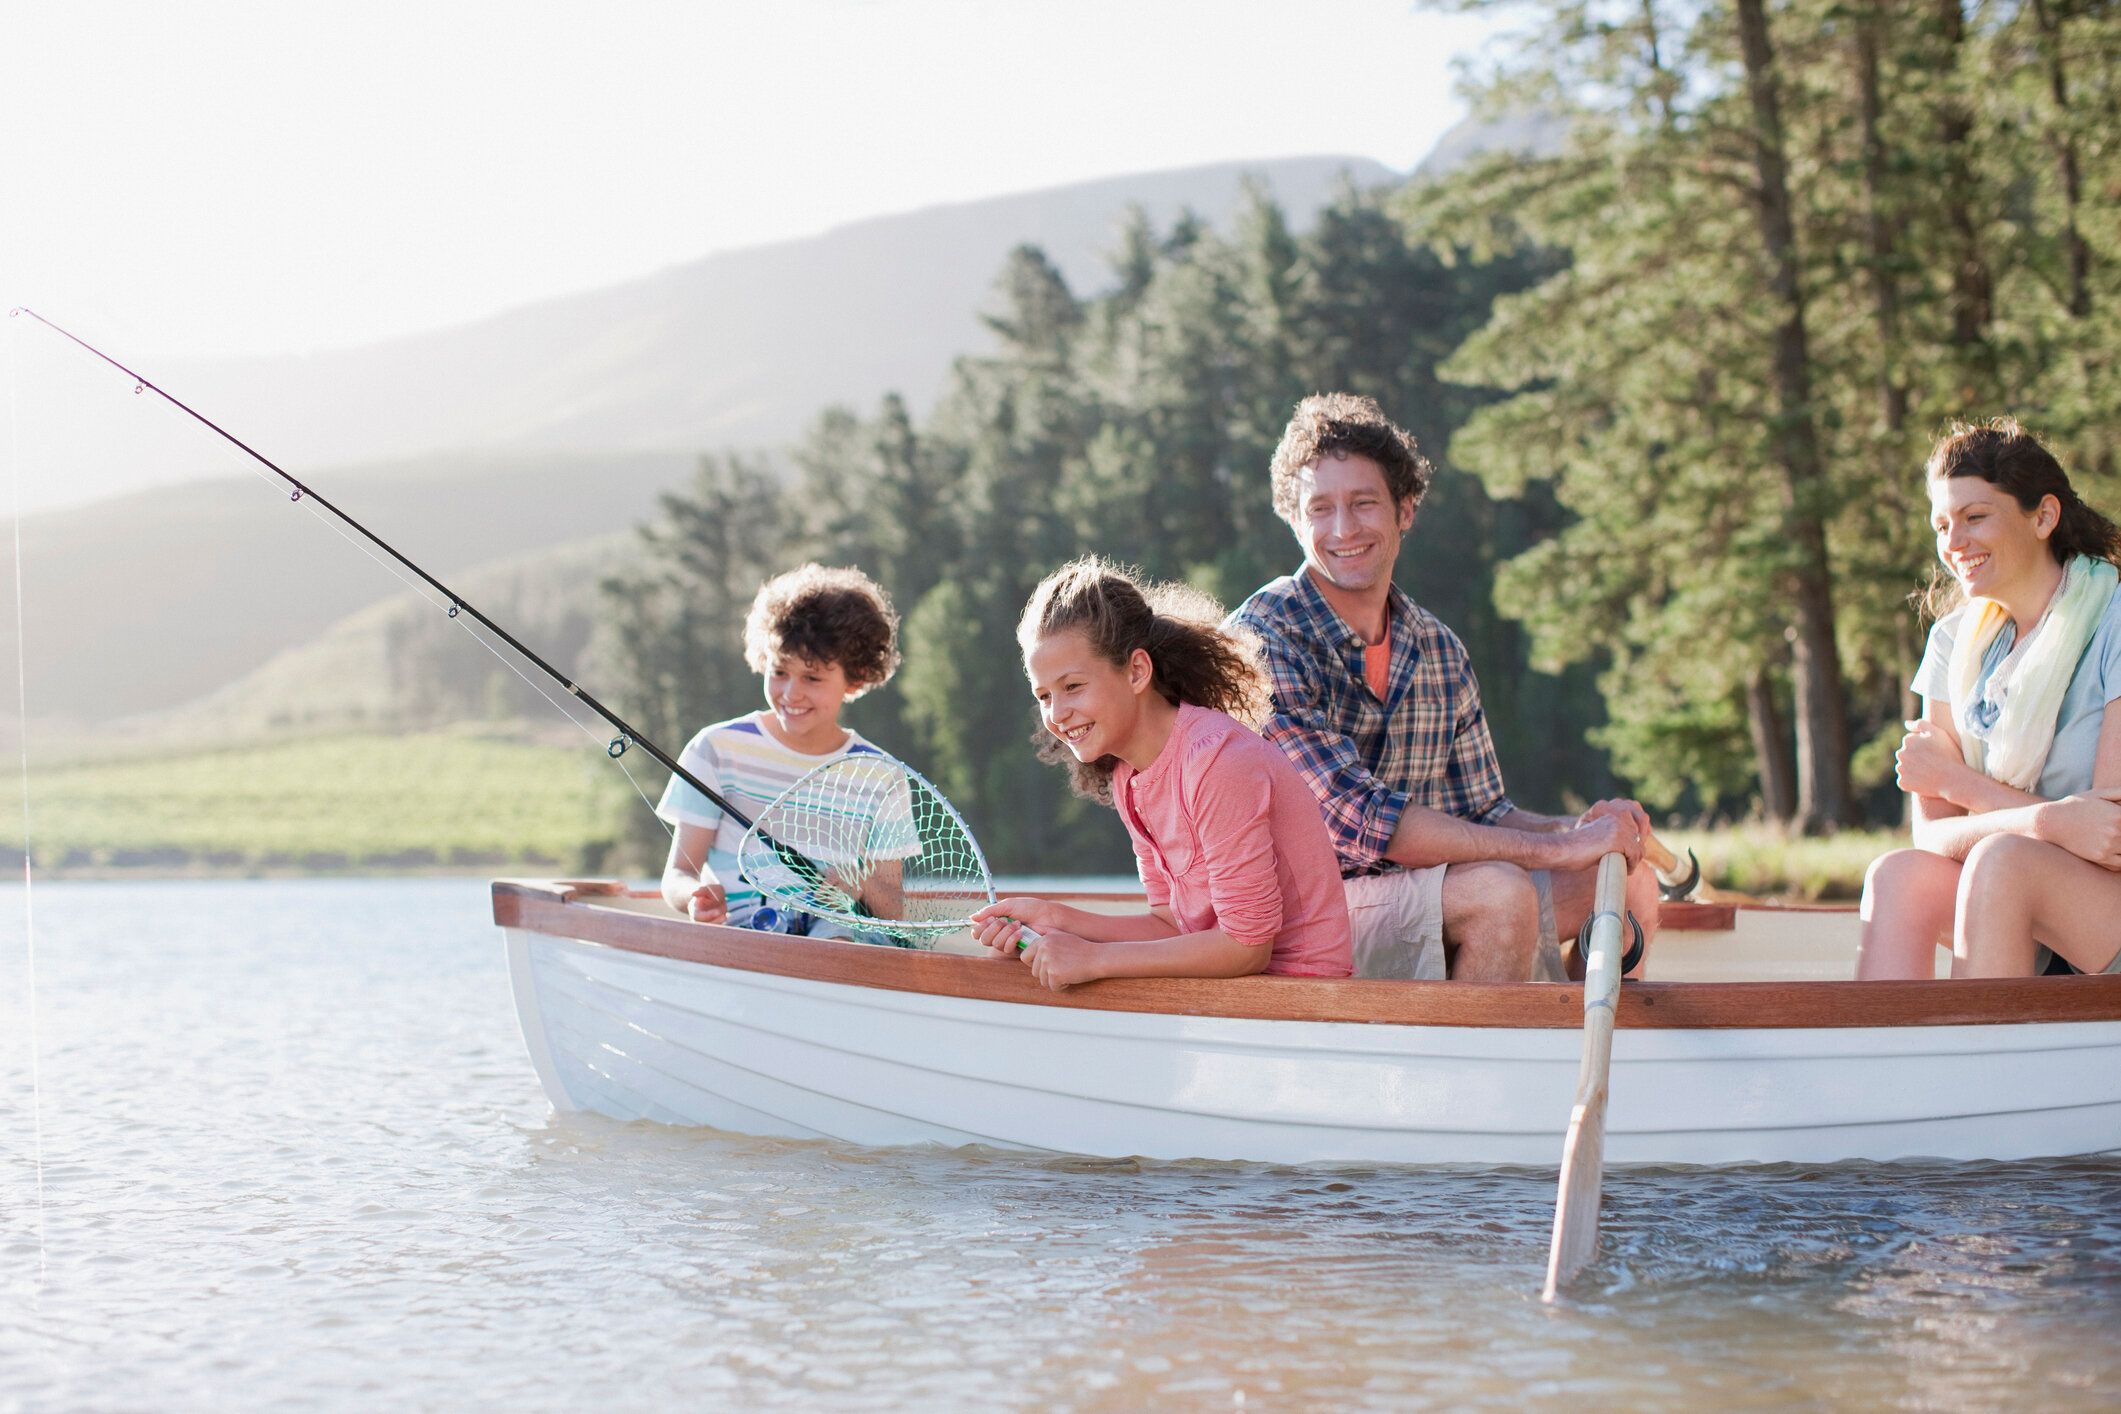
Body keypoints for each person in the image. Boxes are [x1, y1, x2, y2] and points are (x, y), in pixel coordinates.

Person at [1229, 392, 1659, 983]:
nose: (1343, 528)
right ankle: (1474, 1076)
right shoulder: (1261, 639)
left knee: (1628, 873)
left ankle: (1566, 1062)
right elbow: (1360, 820)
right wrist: (1557, 851)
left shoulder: (1438, 648)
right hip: (1304, 922)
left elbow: (1482, 811)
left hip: (1417, 897)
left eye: (1363, 503)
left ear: (1405, 510)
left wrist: (1584, 833)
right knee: (1499, 893)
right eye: (1320, 508)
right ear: (1293, 518)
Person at [970, 558, 1353, 989]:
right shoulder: (1127, 778)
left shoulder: (1218, 762)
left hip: (1301, 999)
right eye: (1043, 695)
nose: (1057, 715)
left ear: (1136, 671)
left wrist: (1095, 959)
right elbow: (1169, 925)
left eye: (1073, 686)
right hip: (1231, 991)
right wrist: (1055, 919)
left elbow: (1247, 947)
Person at [1858, 418, 2121, 980]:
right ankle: (1886, 1068)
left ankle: (1978, 1063)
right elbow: (1932, 836)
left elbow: (2107, 835)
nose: (1954, 544)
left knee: (2002, 862)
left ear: (2044, 516)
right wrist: (2049, 822)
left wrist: (1959, 783)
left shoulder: (2115, 619)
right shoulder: (1954, 640)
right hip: (2021, 899)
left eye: (1975, 517)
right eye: (1942, 524)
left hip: (2105, 910)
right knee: (1897, 876)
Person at [657, 563, 907, 933]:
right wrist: (694, 895)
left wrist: (859, 883)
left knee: (836, 942)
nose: (791, 693)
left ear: (854, 680)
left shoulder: (882, 776)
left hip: (838, 943)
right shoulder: (714, 749)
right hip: (740, 940)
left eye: (813, 677)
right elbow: (678, 872)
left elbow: (893, 908)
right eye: (779, 672)